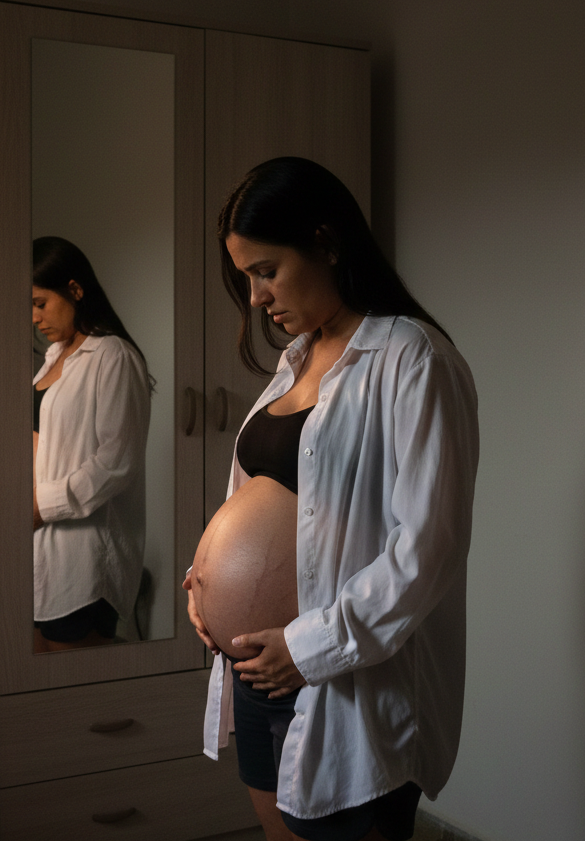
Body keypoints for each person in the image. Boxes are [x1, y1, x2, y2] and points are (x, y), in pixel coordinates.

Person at [184, 158, 479, 841]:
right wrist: (206, 586)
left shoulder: (414, 359)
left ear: (326, 241)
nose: (254, 297)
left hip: (342, 680)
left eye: (265, 270)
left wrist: (308, 645)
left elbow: (427, 547)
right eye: (245, 277)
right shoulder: (294, 360)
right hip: (256, 672)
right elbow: (254, 507)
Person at [31, 236, 152, 652]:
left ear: (75, 290)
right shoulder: (53, 357)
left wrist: (39, 506)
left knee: (75, 692)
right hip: (40, 555)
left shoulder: (113, 356)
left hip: (84, 559)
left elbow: (115, 463)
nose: (34, 317)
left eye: (41, 303)